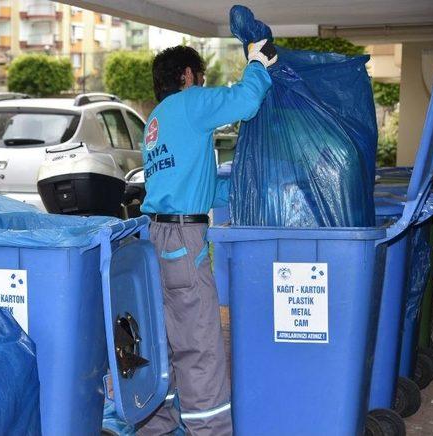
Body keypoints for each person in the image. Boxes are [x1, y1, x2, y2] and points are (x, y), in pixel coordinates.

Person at [138, 40, 277, 434]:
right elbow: (245, 100)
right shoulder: (191, 104)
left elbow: (189, 183)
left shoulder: (156, 122)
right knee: (200, 345)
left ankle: (158, 427)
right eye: (200, 77)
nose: (202, 84)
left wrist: (240, 191)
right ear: (187, 77)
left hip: (158, 237)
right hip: (184, 240)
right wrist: (257, 65)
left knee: (167, 339)